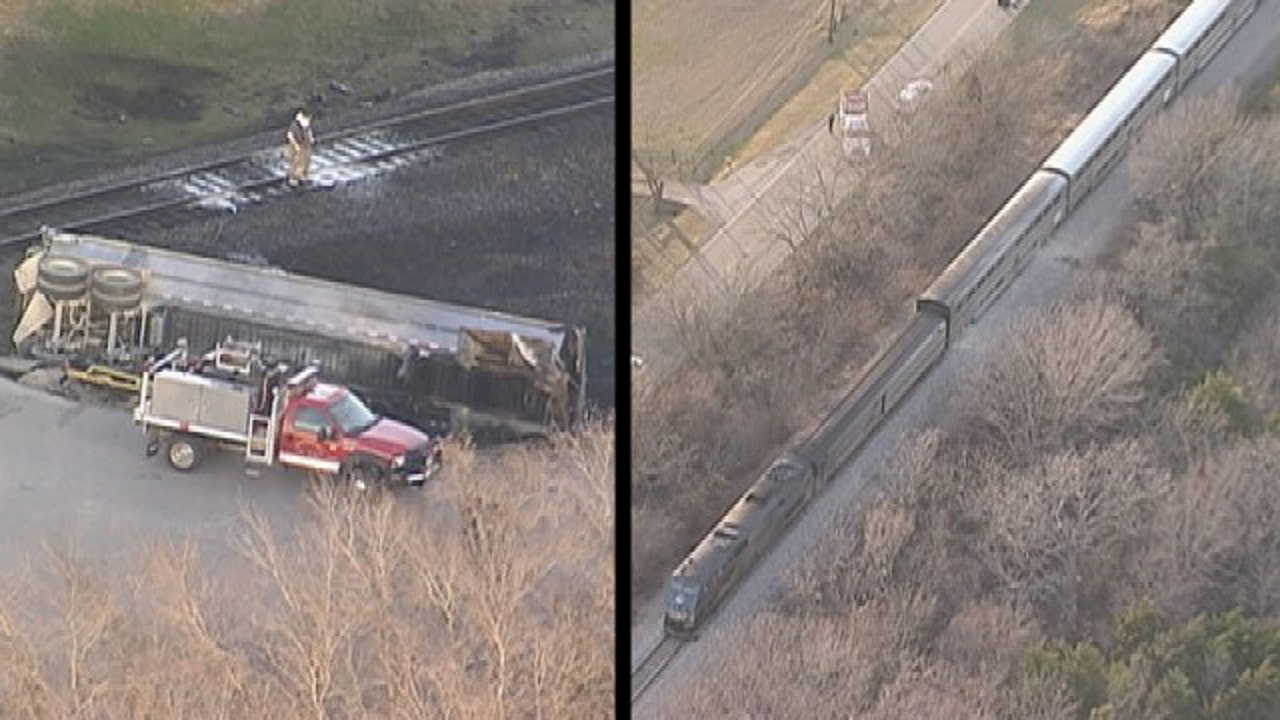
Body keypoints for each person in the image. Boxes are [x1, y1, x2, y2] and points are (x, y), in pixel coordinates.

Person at [285, 109, 315, 187]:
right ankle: (294, 178)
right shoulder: (295, 125)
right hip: (296, 144)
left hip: (305, 143)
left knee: (307, 159)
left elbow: (309, 131)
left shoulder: (306, 124)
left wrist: (311, 138)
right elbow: (290, 136)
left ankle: (304, 175)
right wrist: (296, 145)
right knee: (296, 161)